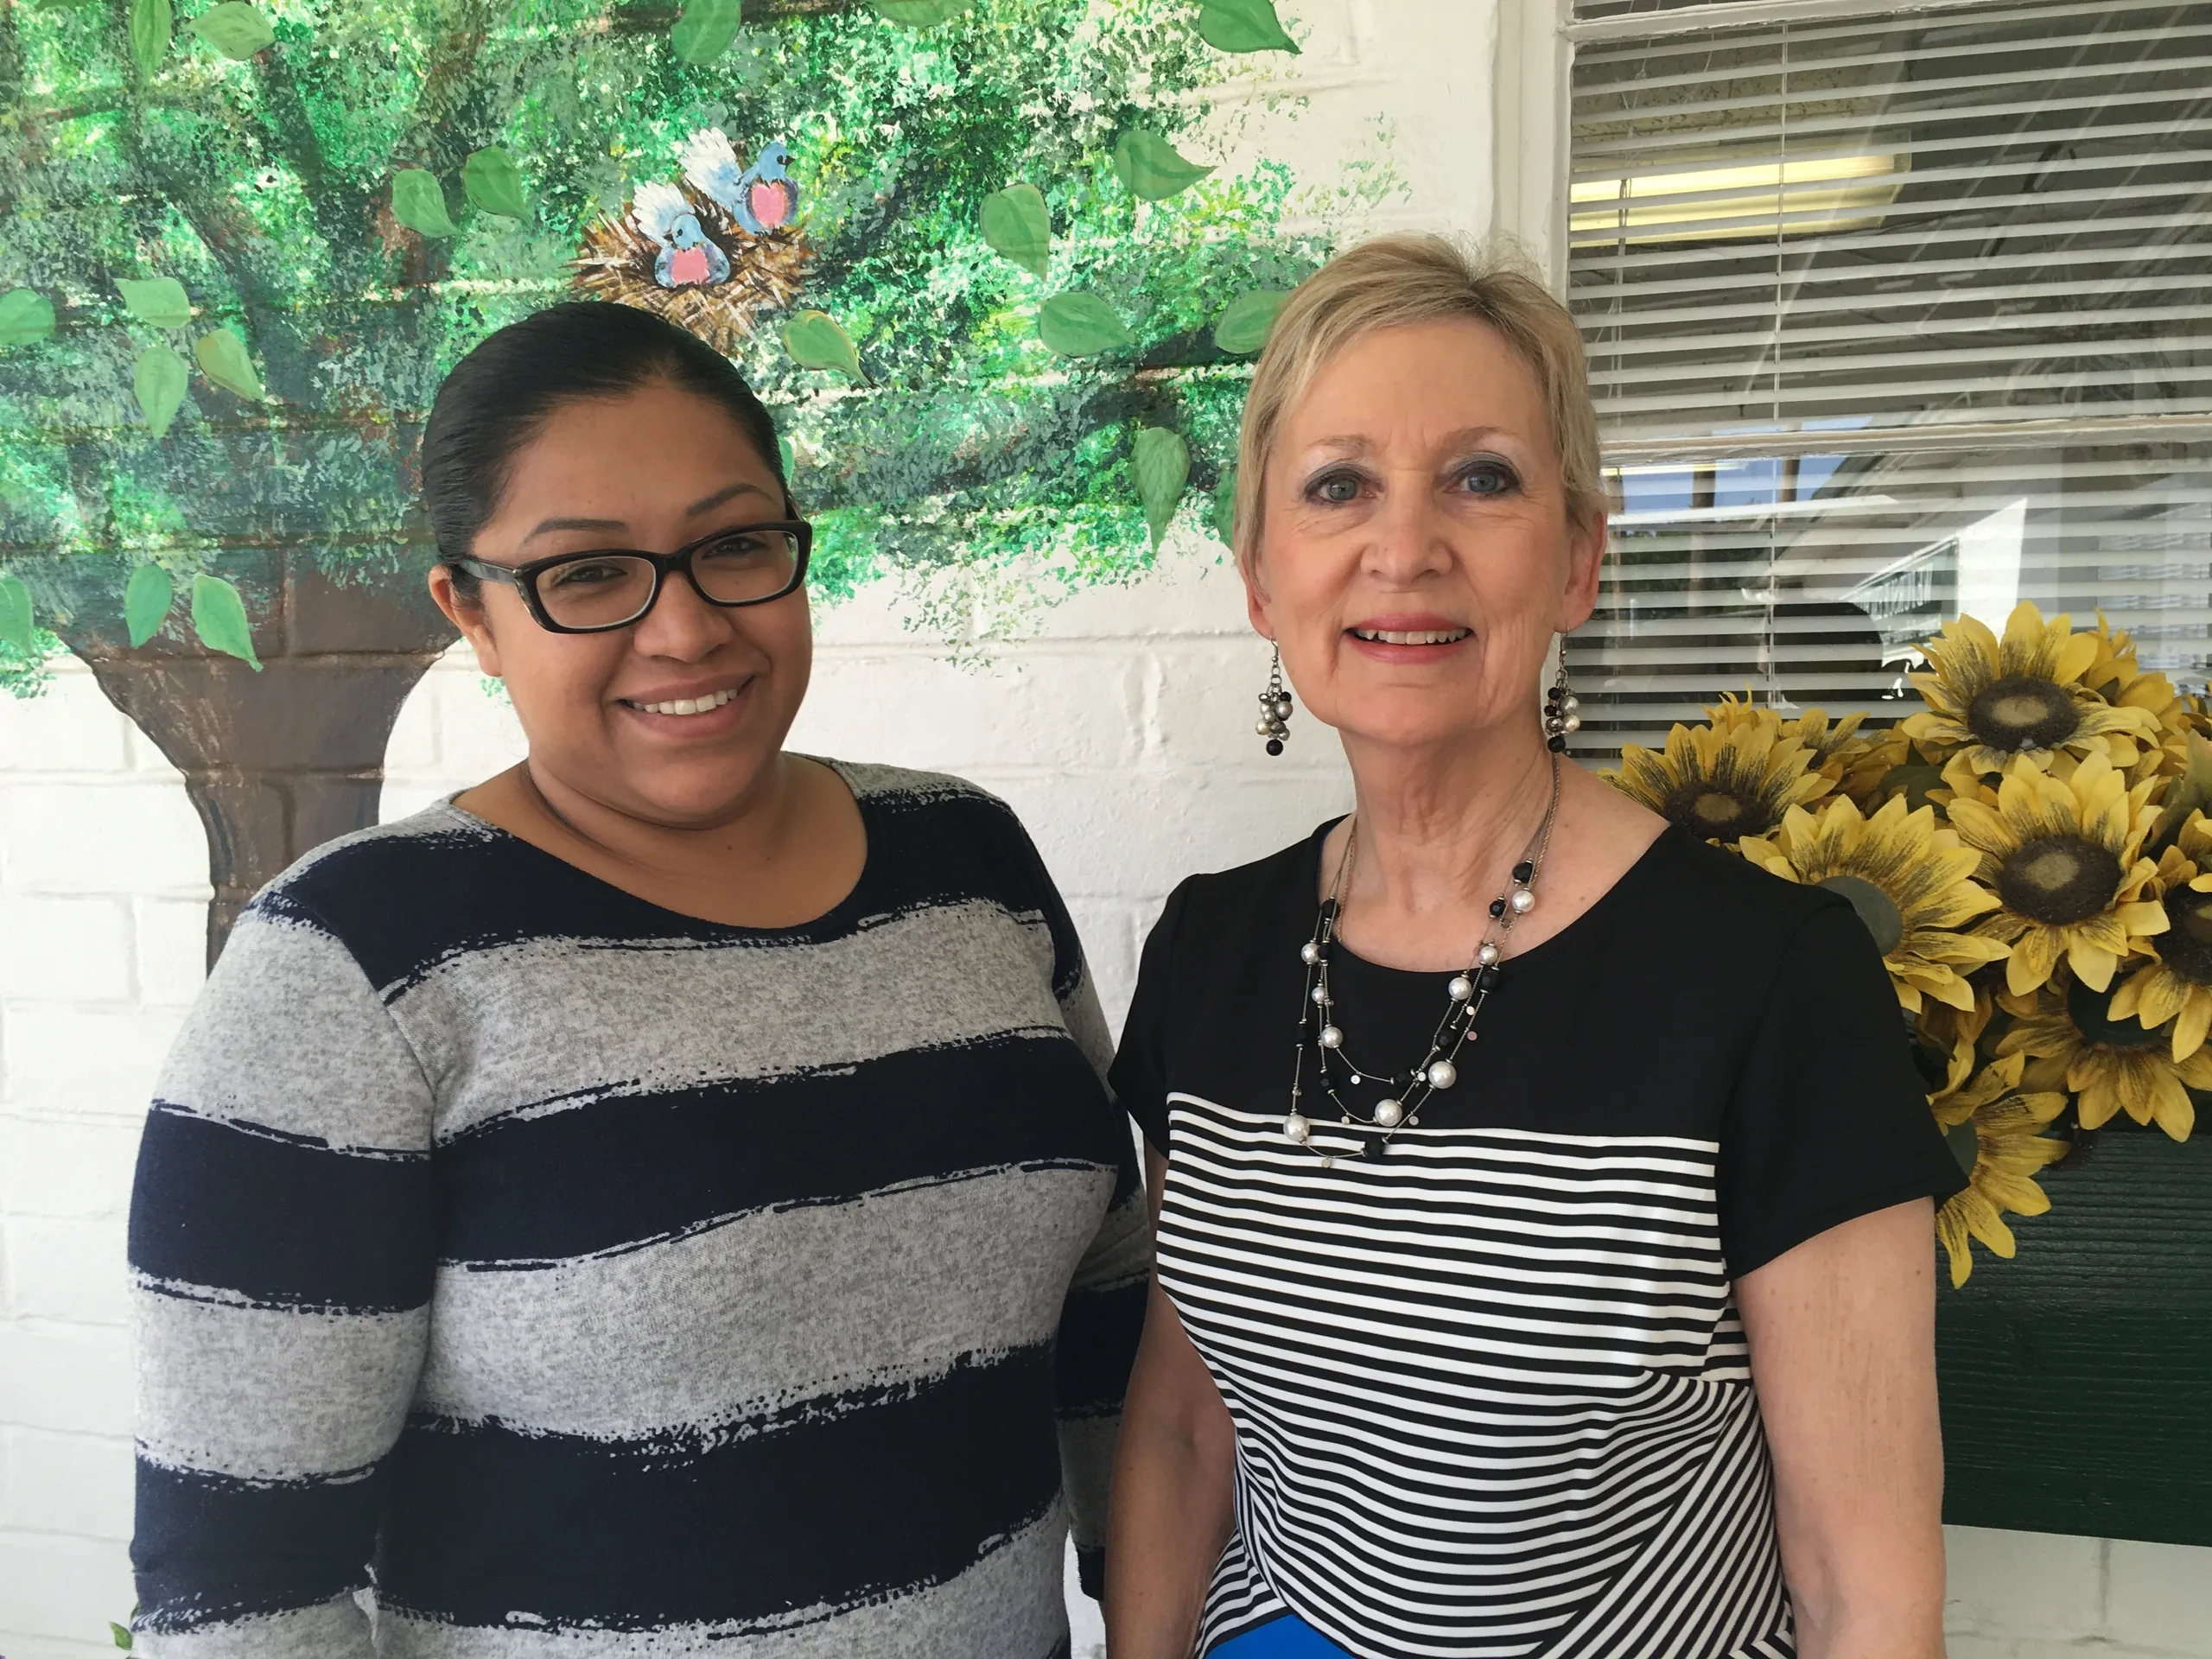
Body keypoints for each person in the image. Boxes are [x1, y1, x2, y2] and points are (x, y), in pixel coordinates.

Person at [124, 302, 1148, 1657]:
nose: (685, 630)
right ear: (472, 616)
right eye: (589, 574)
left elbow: (1111, 1309)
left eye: (734, 547)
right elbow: (242, 1591)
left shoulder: (965, 858)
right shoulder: (354, 966)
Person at [1103, 236, 1964, 1659]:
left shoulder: (1769, 978)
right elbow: (1188, 1427)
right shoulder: (1212, 946)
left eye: (1482, 477)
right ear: (1262, 579)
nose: (1405, 546)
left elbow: (1862, 1584)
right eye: (1338, 487)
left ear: (1576, 558)